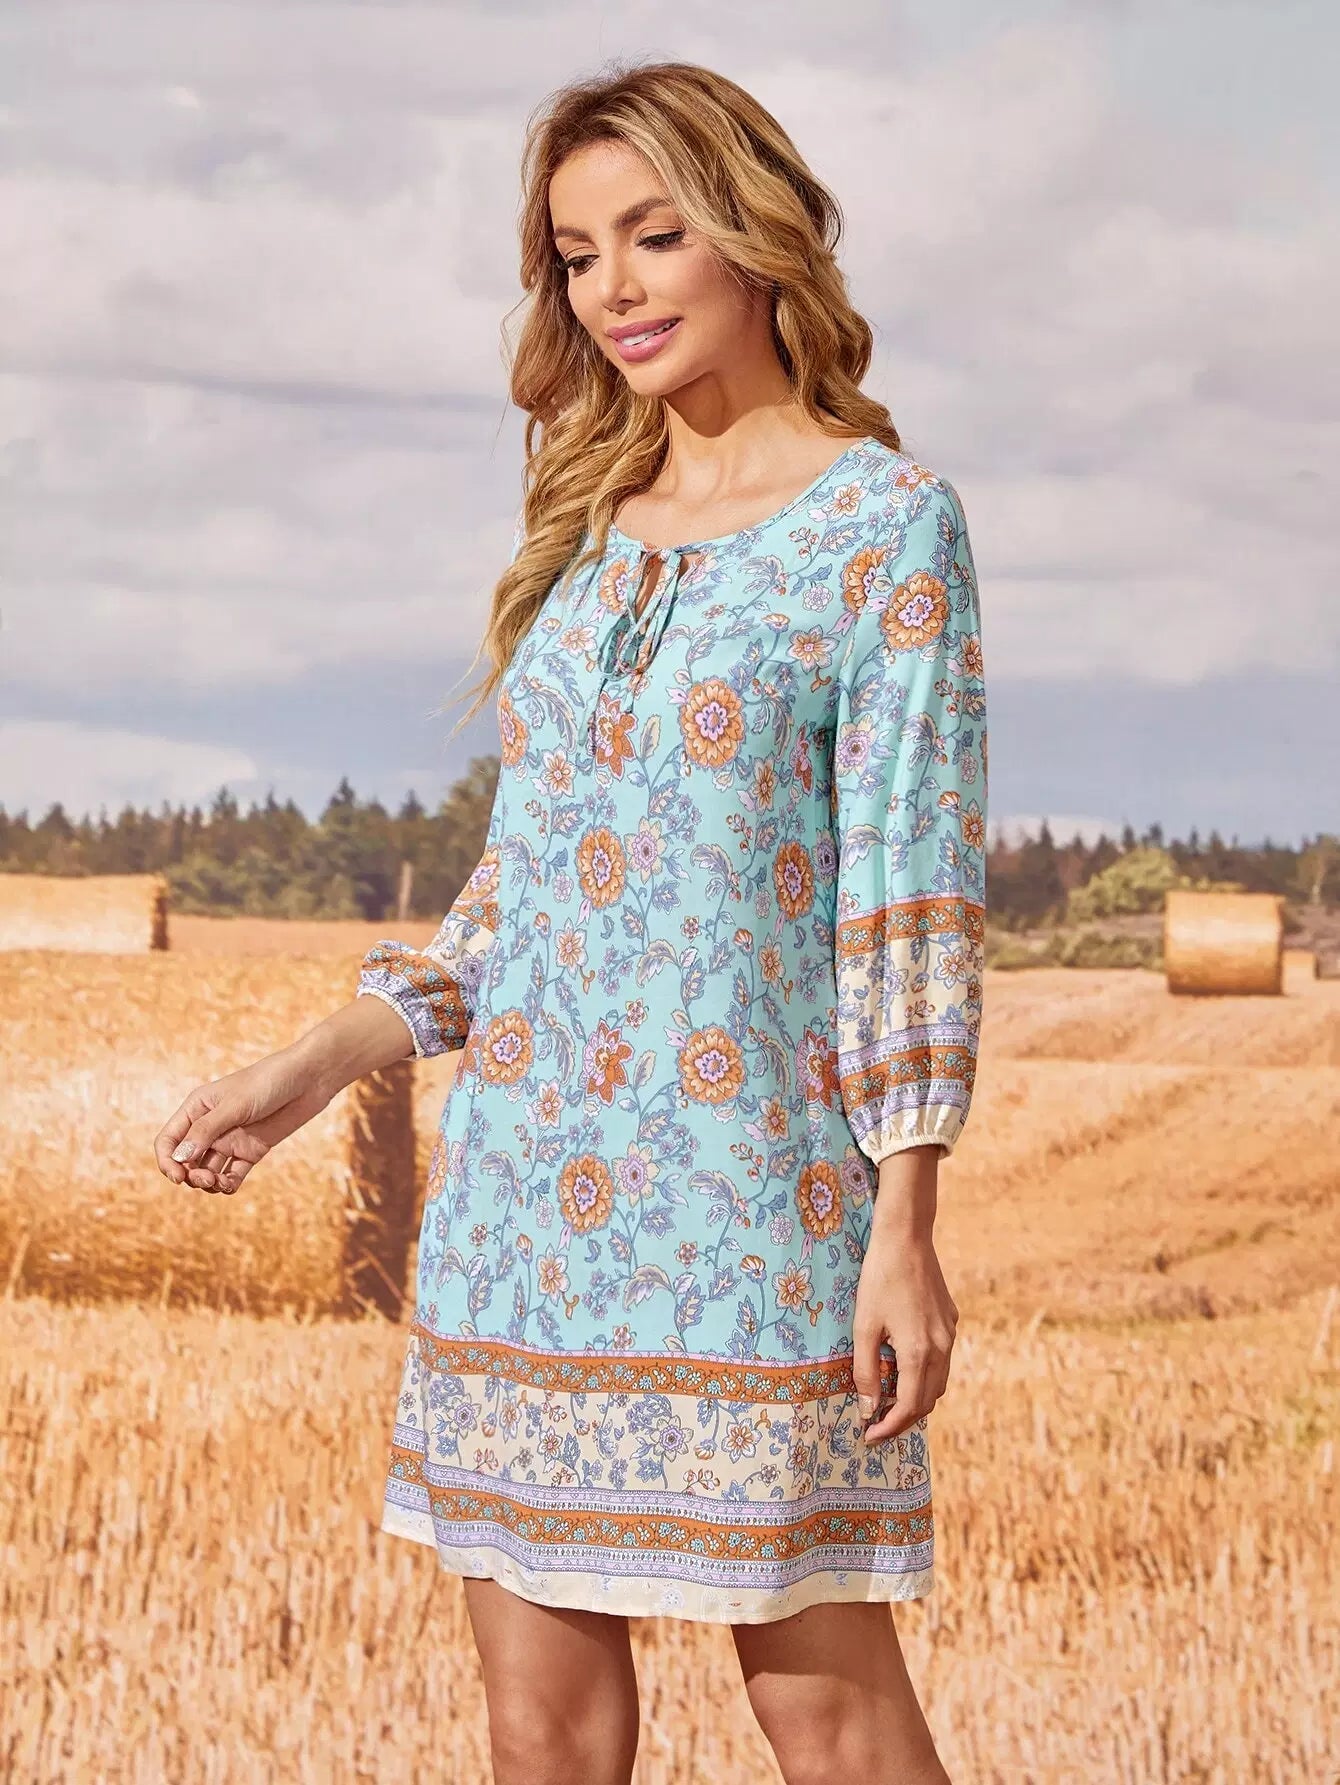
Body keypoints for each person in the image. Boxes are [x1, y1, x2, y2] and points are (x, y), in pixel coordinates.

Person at [154, 58, 987, 1785]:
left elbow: (908, 898)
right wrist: (313, 1067)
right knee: (540, 1729)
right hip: (521, 1211)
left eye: (655, 234)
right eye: (576, 253)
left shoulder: (884, 526)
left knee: (827, 1711)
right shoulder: (590, 540)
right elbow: (520, 894)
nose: (614, 287)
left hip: (756, 1214)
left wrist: (905, 1217)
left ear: (755, 234)